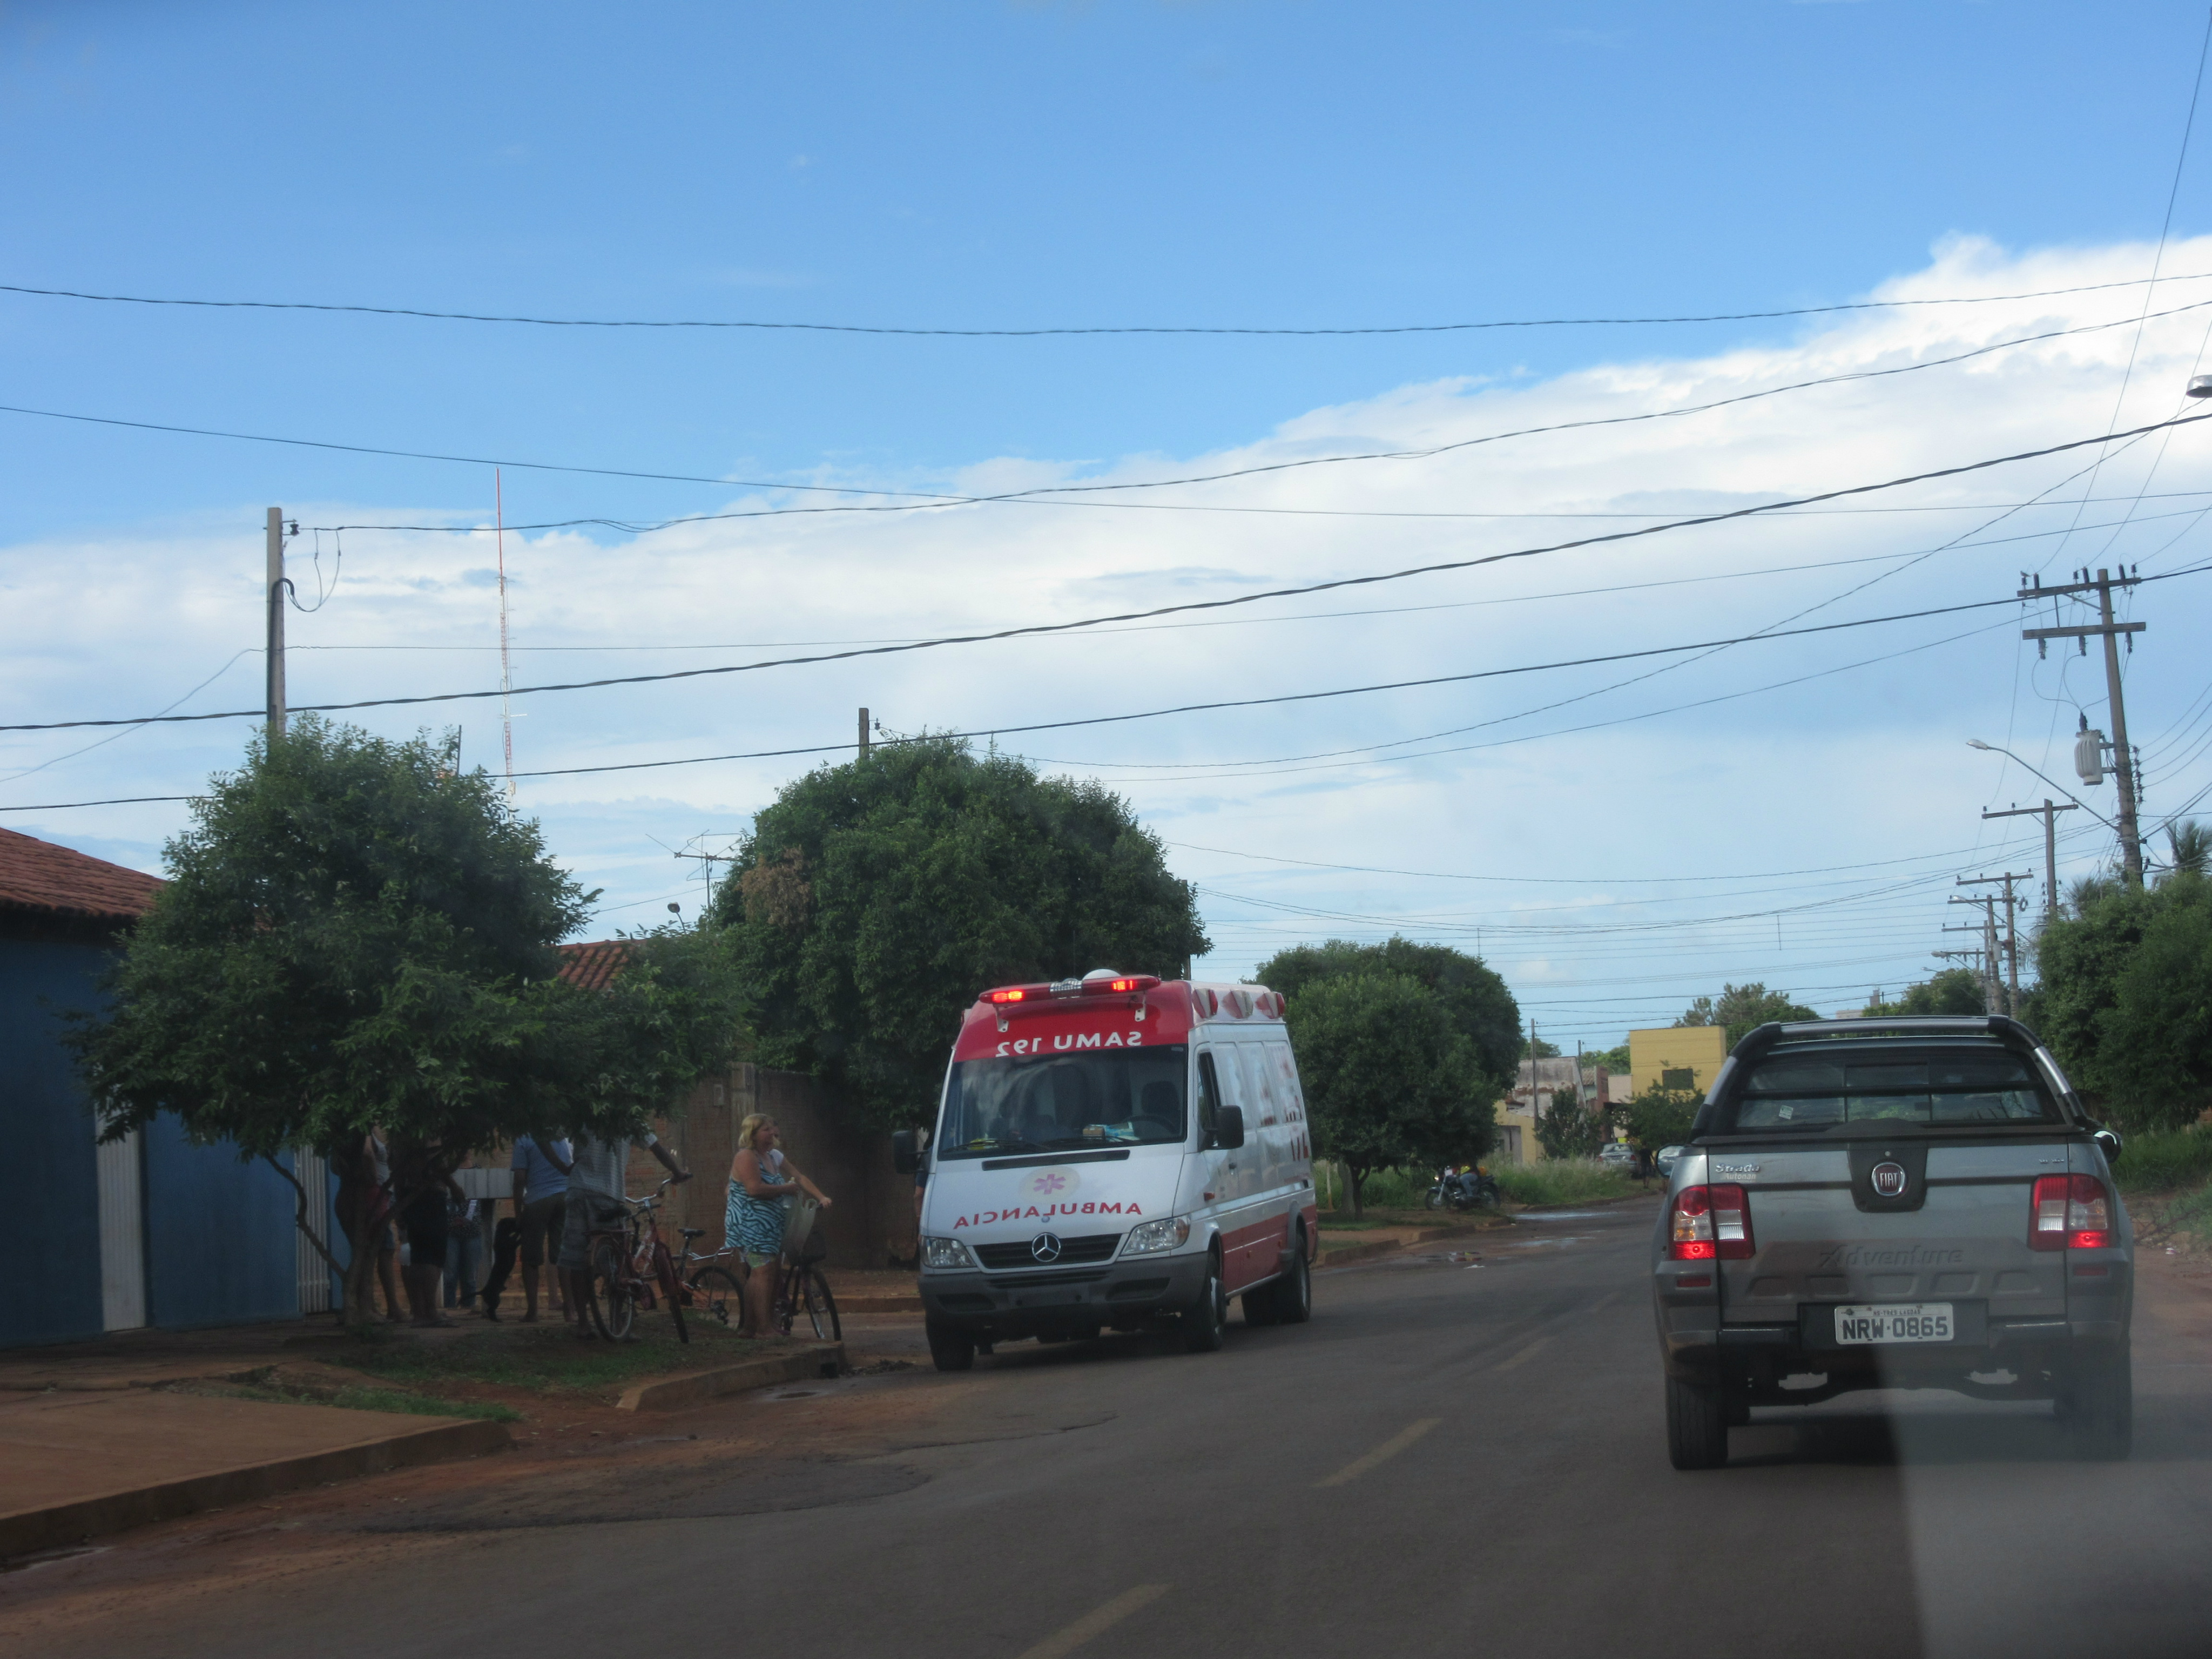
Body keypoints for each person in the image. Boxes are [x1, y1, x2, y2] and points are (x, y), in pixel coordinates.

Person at [557, 1127, 690, 1339]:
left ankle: (583, 1323)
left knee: (576, 1259)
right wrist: (677, 1172)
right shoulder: (626, 1117)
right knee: (616, 1262)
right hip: (608, 1193)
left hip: (578, 1188)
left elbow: (544, 1135)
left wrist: (563, 1167)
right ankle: (618, 1323)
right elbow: (657, 1148)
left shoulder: (582, 1109)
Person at [726, 1114, 832, 1339]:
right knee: (761, 1272)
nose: (772, 1135)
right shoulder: (746, 1156)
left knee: (770, 1273)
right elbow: (754, 1189)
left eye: (773, 1131)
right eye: (766, 1131)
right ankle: (762, 1329)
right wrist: (785, 1189)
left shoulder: (772, 1157)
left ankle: (754, 1326)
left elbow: (798, 1176)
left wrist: (820, 1196)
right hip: (751, 1225)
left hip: (770, 1225)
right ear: (752, 1134)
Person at [390, 1137, 466, 1329]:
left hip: (410, 1198)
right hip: (431, 1197)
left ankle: (419, 1312)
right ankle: (430, 1311)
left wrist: (400, 1205)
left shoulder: (399, 1138)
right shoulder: (428, 1133)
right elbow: (437, 1164)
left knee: (418, 1256)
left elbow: (397, 1175)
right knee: (433, 1257)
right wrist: (454, 1186)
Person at [505, 1132, 574, 1323]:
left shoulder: (524, 1138)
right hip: (564, 1198)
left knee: (531, 1258)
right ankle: (570, 1311)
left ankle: (533, 1311)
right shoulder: (561, 1135)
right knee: (562, 1256)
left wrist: (518, 1213)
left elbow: (520, 1179)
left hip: (538, 1200)